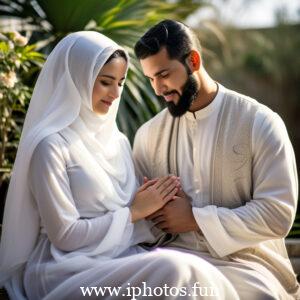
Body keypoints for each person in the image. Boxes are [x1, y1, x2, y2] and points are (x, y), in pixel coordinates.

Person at [0, 31, 240, 300]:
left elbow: (136, 220)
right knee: (176, 270)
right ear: (76, 79)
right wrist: (133, 212)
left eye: (120, 83)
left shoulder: (119, 141)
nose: (115, 94)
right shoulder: (50, 146)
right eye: (105, 82)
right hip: (66, 270)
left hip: (118, 259)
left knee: (201, 275)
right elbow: (65, 235)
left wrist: (161, 207)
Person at [133, 19, 300, 299]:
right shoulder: (148, 136)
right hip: (171, 261)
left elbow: (277, 214)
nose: (158, 89)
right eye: (151, 79)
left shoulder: (260, 122)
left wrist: (196, 219)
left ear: (193, 60)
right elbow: (142, 221)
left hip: (247, 264)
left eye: (163, 74)